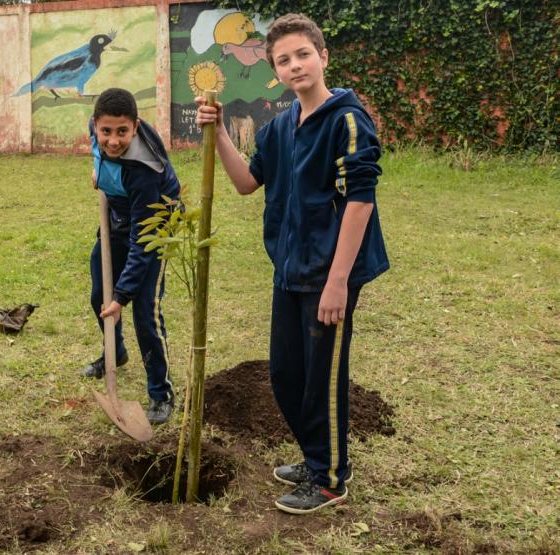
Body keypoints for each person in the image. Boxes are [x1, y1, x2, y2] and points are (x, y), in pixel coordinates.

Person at [196, 13, 389, 514]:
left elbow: (360, 200)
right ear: (274, 72)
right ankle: (313, 455)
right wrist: (217, 135)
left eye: (303, 54)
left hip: (330, 273)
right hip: (290, 268)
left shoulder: (347, 119)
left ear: (323, 57)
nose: (295, 64)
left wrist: (338, 283)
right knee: (285, 374)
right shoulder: (280, 127)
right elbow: (245, 183)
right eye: (283, 60)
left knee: (321, 377)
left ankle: (329, 479)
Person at [82, 88, 180, 425]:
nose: (112, 140)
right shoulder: (97, 129)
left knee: (144, 311)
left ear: (135, 127)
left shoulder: (143, 170)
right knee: (99, 295)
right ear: (95, 124)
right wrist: (101, 174)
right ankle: (115, 352)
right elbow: (101, 154)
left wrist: (122, 295)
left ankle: (161, 392)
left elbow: (143, 240)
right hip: (117, 215)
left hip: (154, 224)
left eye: (122, 132)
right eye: (105, 131)